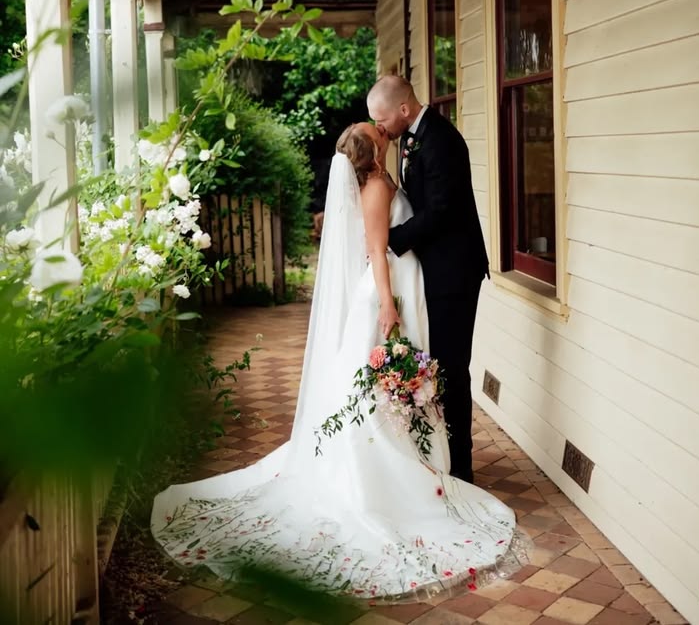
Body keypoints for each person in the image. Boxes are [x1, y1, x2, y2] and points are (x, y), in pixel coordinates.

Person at [151, 124, 519, 600]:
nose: (383, 129)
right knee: (376, 383)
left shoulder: (381, 178)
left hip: (403, 286)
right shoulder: (376, 188)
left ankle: (415, 456)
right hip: (389, 292)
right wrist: (388, 303)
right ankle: (386, 467)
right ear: (372, 150)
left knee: (381, 382)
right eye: (375, 130)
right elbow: (376, 250)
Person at [367, 76, 488, 484]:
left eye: (381, 119)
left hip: (454, 272)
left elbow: (439, 212)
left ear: (404, 109)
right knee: (439, 365)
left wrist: (389, 240)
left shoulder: (442, 142)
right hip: (432, 269)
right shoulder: (410, 137)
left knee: (453, 368)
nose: (379, 128)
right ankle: (442, 455)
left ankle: (463, 469)